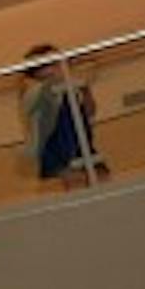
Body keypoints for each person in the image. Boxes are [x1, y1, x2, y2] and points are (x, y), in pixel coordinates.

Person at [18, 44, 107, 189]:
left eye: (59, 62)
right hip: (61, 151)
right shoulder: (37, 93)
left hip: (81, 146)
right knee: (79, 188)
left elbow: (89, 112)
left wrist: (85, 89)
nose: (61, 66)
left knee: (103, 184)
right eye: (55, 63)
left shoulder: (69, 89)